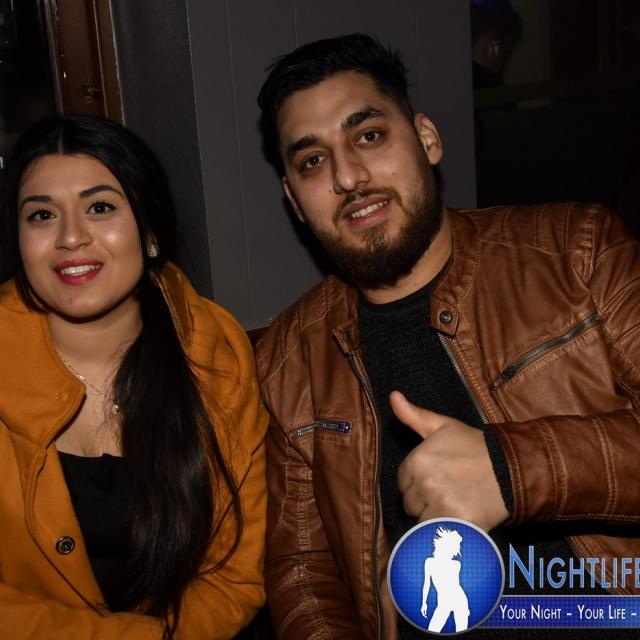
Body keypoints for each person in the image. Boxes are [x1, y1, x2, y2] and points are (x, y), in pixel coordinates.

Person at [254, 33, 640, 639]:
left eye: (368, 135)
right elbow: (303, 569)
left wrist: (510, 470)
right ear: (295, 202)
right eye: (312, 161)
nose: (348, 176)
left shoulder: (576, 252)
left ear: (427, 139)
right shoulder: (287, 360)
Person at [0, 115, 268, 639]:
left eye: (100, 207)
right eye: (41, 215)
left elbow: (236, 576)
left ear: (148, 231)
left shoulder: (217, 352)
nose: (70, 237)